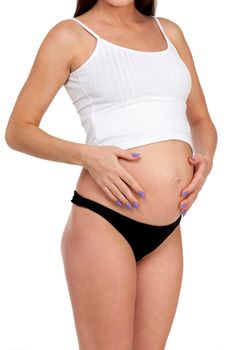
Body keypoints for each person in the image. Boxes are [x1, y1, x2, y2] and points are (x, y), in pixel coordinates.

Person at [5, 0, 218, 349]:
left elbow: (201, 120)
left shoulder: (170, 32)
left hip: (168, 232)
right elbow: (18, 130)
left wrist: (205, 159)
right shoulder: (69, 36)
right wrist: (88, 156)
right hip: (104, 223)